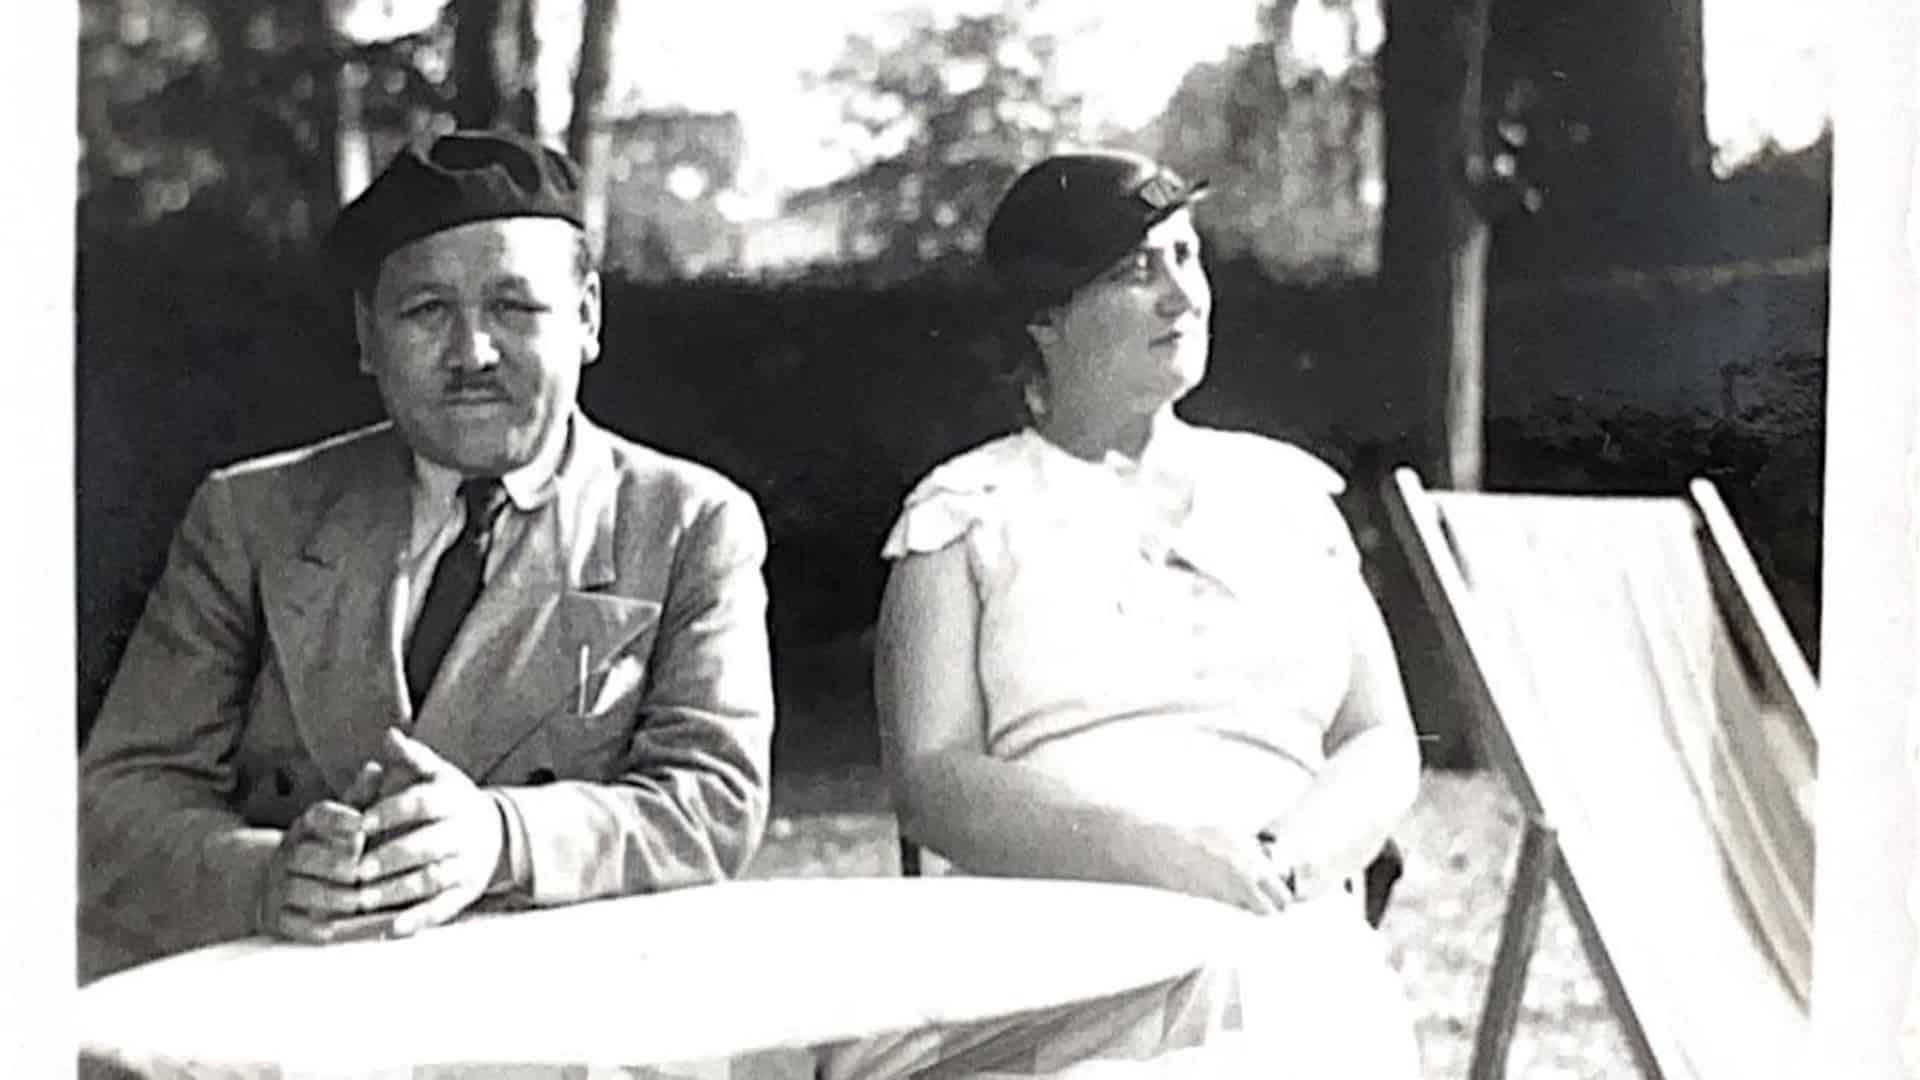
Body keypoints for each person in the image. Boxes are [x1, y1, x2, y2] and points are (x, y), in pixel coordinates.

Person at [78, 131, 775, 982]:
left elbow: (713, 802)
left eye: (515, 306)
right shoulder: (252, 517)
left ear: (587, 317)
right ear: (367, 337)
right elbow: (117, 798)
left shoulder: (688, 524)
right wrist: (261, 878)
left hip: (564, 997)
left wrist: (504, 837)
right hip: (288, 994)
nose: (472, 353)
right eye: (427, 312)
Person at [827, 150, 1423, 1076]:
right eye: (1137, 271)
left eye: (1187, 257)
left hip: (1285, 921)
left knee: (1281, 1001)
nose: (1182, 296)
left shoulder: (1289, 496)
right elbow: (934, 777)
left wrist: (1279, 865)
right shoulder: (965, 514)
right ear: (1045, 318)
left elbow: (1379, 738)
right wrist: (1162, 857)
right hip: (1061, 923)